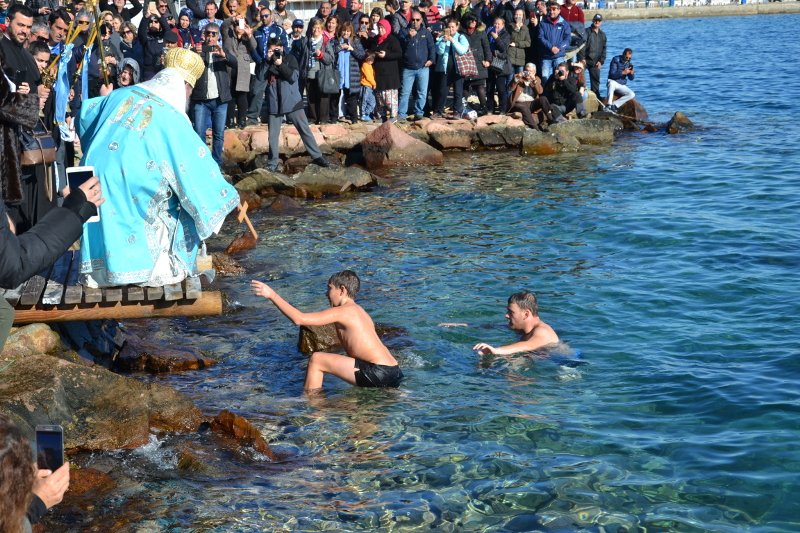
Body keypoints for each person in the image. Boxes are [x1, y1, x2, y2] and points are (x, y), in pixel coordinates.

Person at [77, 47, 240, 288]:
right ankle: (150, 270)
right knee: (177, 203)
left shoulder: (121, 94)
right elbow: (195, 168)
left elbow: (86, 115)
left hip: (92, 180)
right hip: (131, 189)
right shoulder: (172, 119)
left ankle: (100, 272)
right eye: (190, 90)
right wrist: (227, 197)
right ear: (185, 85)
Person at [250, 270, 403, 390]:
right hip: (394, 372)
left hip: (377, 371)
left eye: (329, 288)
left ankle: (311, 407)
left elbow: (299, 319)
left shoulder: (344, 311)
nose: (326, 294)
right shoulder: (361, 312)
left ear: (342, 290)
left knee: (317, 359)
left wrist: (272, 295)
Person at [261, 37, 329, 171]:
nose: (275, 52)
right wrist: (267, 61)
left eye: (277, 49)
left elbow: (293, 77)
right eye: (271, 50)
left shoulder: (290, 59)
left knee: (305, 130)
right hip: (274, 103)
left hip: (292, 102)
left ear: (282, 49)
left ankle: (317, 157)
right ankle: (272, 162)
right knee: (273, 135)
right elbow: (259, 78)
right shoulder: (267, 63)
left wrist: (280, 65)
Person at [191, 23, 233, 166]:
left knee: (219, 134)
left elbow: (236, 64)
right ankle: (202, 164)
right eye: (208, 33)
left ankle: (216, 164)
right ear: (204, 35)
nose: (210, 37)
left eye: (213, 34)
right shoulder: (197, 49)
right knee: (198, 133)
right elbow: (188, 67)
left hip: (220, 100)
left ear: (218, 36)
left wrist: (224, 55)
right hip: (201, 99)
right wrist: (195, 54)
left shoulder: (223, 50)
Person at [473, 291, 559, 356]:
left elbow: (528, 345)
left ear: (526, 314)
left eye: (511, 312)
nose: (506, 315)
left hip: (561, 365)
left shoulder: (542, 331)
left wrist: (496, 350)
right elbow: (495, 326)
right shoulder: (522, 328)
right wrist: (466, 325)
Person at [397, 8, 434, 121]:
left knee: (422, 92)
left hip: (423, 67)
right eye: (413, 19)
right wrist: (409, 37)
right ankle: (402, 114)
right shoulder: (403, 31)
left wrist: (431, 59)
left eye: (417, 20)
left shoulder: (426, 32)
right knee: (405, 92)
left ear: (421, 20)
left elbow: (431, 47)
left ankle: (419, 113)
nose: (415, 22)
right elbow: (401, 47)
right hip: (408, 68)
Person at [371, 18, 402, 122]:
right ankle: (382, 116)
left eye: (382, 27)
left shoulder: (392, 39)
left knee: (390, 97)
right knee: (380, 97)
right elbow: (372, 50)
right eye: (379, 27)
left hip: (390, 74)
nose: (380, 29)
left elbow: (398, 53)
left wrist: (386, 55)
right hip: (379, 73)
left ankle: (393, 116)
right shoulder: (376, 39)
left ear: (387, 28)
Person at [537, 0, 570, 82]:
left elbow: (568, 39)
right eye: (550, 10)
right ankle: (546, 94)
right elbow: (541, 37)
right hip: (546, 56)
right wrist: (551, 47)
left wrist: (558, 48)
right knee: (545, 79)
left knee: (560, 79)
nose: (551, 11)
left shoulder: (564, 24)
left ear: (559, 10)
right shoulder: (543, 23)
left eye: (554, 9)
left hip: (559, 56)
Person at [580, 13, 605, 99]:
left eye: (599, 21)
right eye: (595, 20)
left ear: (601, 22)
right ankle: (582, 96)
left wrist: (601, 61)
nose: (597, 22)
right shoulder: (586, 32)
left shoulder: (603, 35)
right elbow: (581, 46)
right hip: (585, 60)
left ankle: (596, 98)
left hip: (596, 62)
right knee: (581, 79)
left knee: (596, 82)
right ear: (593, 20)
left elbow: (604, 49)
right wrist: (582, 59)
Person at [606, 47, 635, 112]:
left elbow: (631, 79)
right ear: (623, 54)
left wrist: (631, 74)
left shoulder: (629, 63)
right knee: (611, 83)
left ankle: (615, 105)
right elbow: (612, 75)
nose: (627, 59)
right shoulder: (616, 59)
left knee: (632, 94)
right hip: (613, 81)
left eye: (629, 58)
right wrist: (622, 72)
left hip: (621, 84)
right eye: (626, 57)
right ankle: (609, 105)